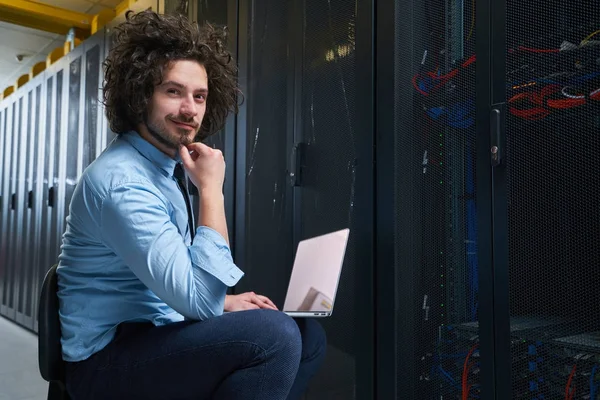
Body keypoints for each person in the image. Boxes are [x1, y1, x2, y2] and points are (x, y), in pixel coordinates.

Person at [56, 9, 326, 400]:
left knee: (307, 333)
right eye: (173, 91)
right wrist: (212, 190)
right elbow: (199, 300)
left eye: (199, 96)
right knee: (274, 336)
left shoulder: (162, 170)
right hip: (104, 361)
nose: (190, 109)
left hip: (153, 329)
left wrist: (229, 301)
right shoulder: (123, 182)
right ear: (139, 95)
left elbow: (181, 279)